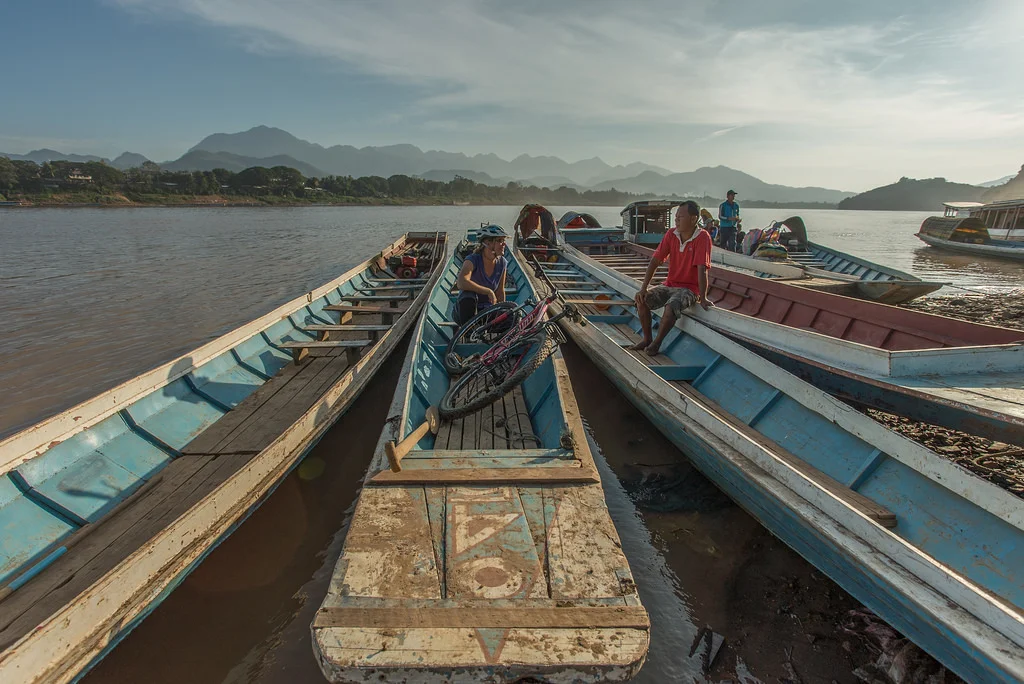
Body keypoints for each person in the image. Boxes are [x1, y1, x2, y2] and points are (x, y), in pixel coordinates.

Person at [631, 201, 712, 355]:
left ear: (694, 219)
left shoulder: (702, 237)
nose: (676, 220)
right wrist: (643, 288)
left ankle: (656, 343)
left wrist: (703, 297)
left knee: (671, 306)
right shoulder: (671, 234)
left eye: (681, 217)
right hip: (669, 284)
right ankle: (647, 338)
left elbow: (702, 269)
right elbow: (655, 260)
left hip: (690, 288)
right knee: (641, 299)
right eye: (676, 217)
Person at [453, 224, 508, 325]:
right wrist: (488, 291)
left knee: (512, 317)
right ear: (487, 243)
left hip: (486, 312)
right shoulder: (472, 259)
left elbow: (500, 292)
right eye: (500, 241)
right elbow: (461, 282)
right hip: (465, 313)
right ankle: (468, 335)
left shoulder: (502, 263)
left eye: (504, 241)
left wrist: (501, 312)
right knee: (468, 297)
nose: (504, 244)